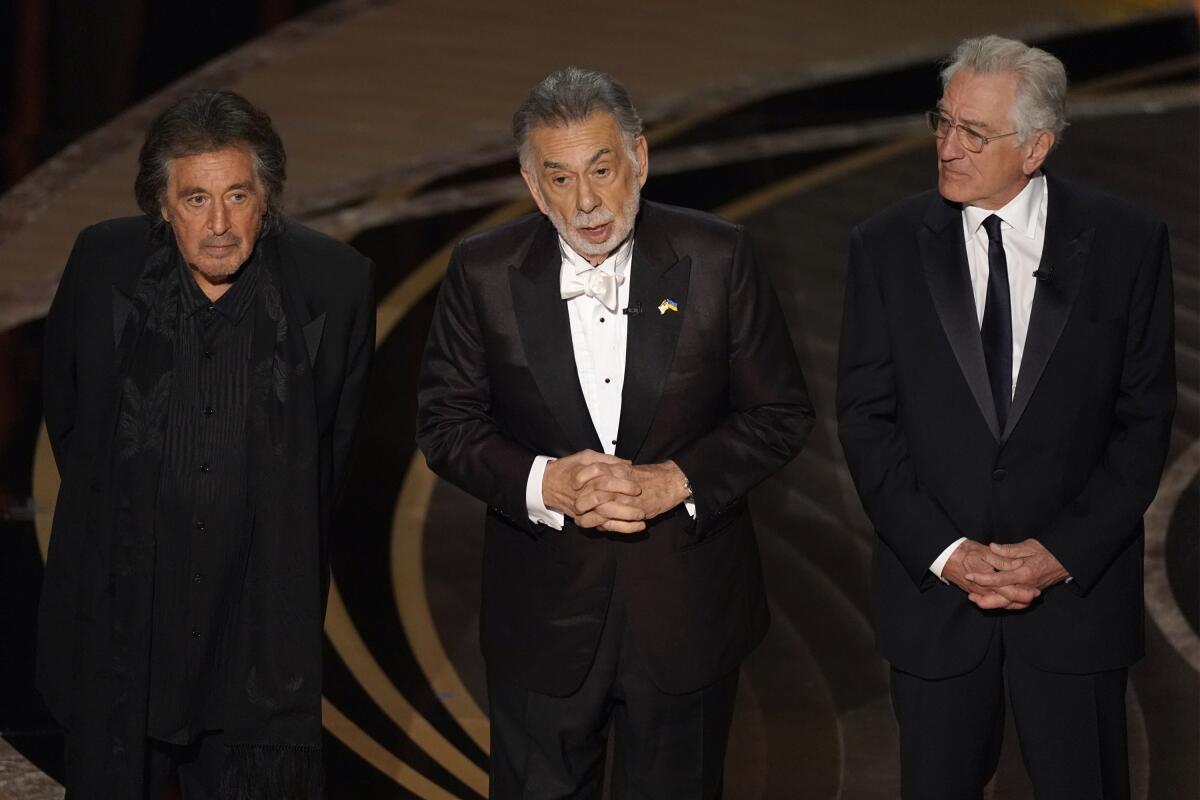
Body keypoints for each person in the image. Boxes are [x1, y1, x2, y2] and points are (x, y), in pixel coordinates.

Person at [416, 66, 813, 797]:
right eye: (560, 180)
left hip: (687, 619)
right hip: (542, 623)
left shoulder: (719, 258)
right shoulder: (482, 271)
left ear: (640, 158)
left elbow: (779, 413)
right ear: (533, 187)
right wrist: (545, 482)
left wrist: (677, 480)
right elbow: (445, 423)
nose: (588, 201)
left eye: (601, 169)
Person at [837, 35, 1175, 799]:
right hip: (935, 608)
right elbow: (865, 421)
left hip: (1075, 608)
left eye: (974, 133)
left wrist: (1061, 552)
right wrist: (946, 551)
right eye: (943, 122)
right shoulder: (884, 247)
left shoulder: (1126, 244)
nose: (947, 147)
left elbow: (1142, 421)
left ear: (1036, 147)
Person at [37, 90, 375, 799]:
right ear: (161, 206)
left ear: (267, 199)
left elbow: (333, 457)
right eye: (195, 199)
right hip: (124, 626)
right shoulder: (103, 263)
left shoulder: (335, 284)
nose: (219, 224)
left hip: (256, 634)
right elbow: (70, 418)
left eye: (238, 196)